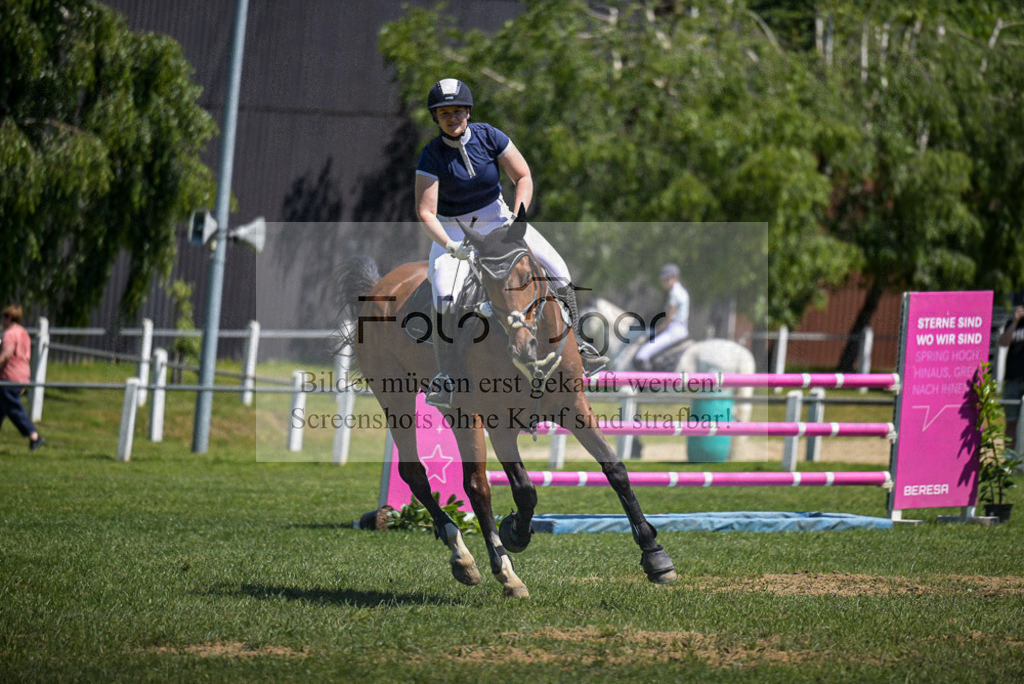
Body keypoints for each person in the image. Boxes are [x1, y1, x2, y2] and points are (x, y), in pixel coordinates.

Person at [414, 78, 607, 407]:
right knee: (445, 296)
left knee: (559, 271)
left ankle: (583, 350)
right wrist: (449, 246)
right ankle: (446, 375)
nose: (452, 118)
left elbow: (523, 176)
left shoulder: (489, 136)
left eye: (458, 111)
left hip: (501, 220)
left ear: (468, 112)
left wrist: (519, 214)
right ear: (436, 117)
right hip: (455, 230)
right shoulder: (431, 156)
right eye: (444, 113)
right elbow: (425, 211)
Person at [0, 304, 44, 450]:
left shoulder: (9, 334)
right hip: (23, 373)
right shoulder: (23, 333)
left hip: (10, 376)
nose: (2, 320)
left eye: (4, 317)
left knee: (14, 408)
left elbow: (6, 354)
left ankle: (34, 435)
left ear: (9, 318)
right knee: (1, 406)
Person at [634, 263, 689, 371]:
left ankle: (648, 385)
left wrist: (656, 331)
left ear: (674, 279)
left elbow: (668, 319)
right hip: (680, 328)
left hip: (674, 330)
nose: (663, 283)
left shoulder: (674, 293)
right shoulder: (682, 291)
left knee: (642, 355)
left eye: (666, 279)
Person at [998, 295, 1024, 450]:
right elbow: (1003, 342)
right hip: (1012, 380)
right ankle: (1009, 460)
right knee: (1011, 423)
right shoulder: (1012, 323)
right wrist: (1015, 321)